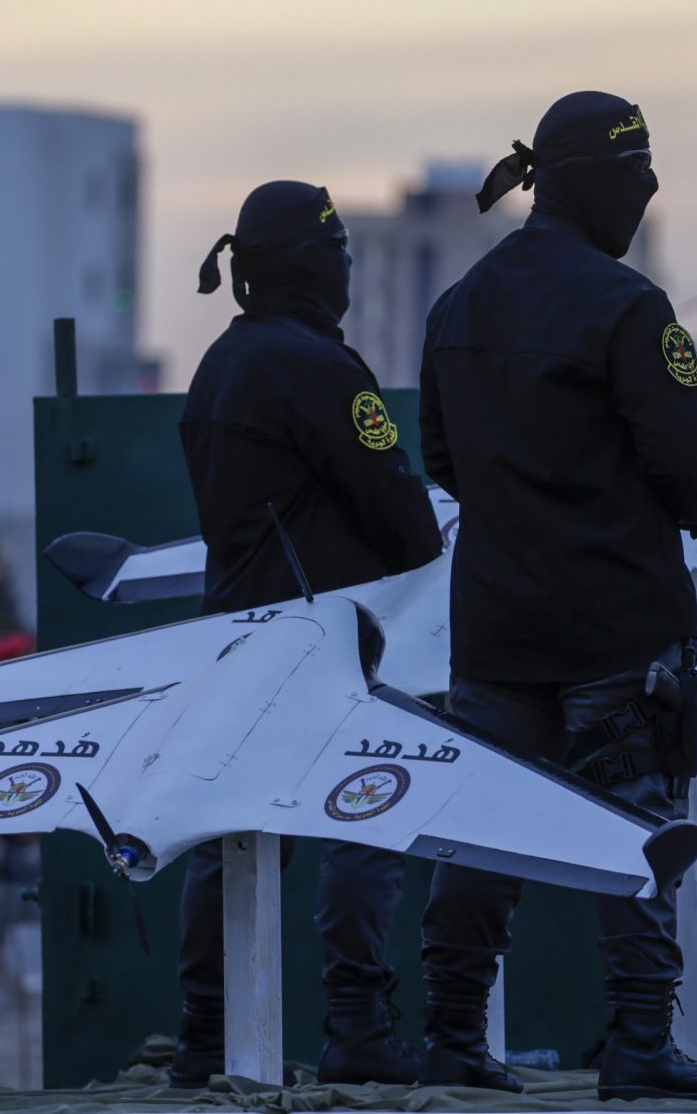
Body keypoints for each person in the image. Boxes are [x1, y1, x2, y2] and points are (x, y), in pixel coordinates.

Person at [417, 91, 697, 1100]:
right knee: (633, 824)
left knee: (479, 829)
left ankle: (454, 1037)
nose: (645, 198)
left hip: (495, 621)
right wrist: (694, 503)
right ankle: (640, 1043)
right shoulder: (628, 306)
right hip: (614, 620)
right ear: (605, 183)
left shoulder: (458, 305)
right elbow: (685, 460)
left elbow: (439, 458)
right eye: (638, 178)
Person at [172, 180, 443, 1086]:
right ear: (314, 264)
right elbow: (407, 523)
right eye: (340, 253)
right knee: (365, 818)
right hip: (324, 643)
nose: (348, 270)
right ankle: (360, 1027)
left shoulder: (220, 363)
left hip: (235, 634)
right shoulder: (317, 366)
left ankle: (207, 1040)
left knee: (232, 844)